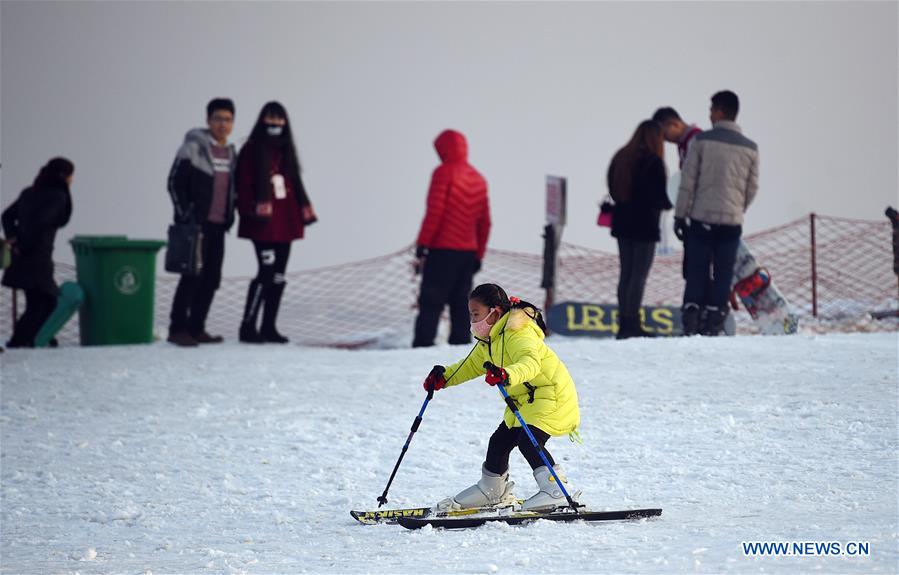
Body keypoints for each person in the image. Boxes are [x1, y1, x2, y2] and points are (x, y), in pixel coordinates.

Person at [422, 283, 580, 511]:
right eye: (471, 314)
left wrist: (507, 374)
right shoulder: (490, 340)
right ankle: (492, 490)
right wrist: (443, 378)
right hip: (526, 401)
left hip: (551, 395)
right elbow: (468, 366)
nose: (472, 320)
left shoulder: (519, 333)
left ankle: (555, 490)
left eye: (476, 314)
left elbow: (531, 364)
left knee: (529, 440)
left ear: (494, 312)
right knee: (499, 442)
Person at [675, 91, 759, 336]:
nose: (709, 114)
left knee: (697, 272)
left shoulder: (701, 141)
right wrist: (737, 208)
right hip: (731, 222)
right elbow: (752, 188)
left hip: (701, 220)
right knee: (723, 273)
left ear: (721, 111)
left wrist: (681, 215)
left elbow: (688, 181)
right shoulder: (750, 148)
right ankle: (714, 321)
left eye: (712, 109)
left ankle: (691, 321)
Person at [236, 101, 317, 344]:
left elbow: (296, 184)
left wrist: (304, 211)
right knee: (266, 272)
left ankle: (269, 326)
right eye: (270, 119)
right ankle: (248, 327)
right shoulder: (251, 149)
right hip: (262, 224)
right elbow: (242, 185)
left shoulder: (287, 152)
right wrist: (250, 210)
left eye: (279, 119)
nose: (275, 124)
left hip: (287, 223)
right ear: (262, 121)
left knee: (279, 275)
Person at [166, 98, 238, 346]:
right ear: (208, 120)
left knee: (211, 278)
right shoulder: (192, 147)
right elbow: (174, 182)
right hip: (196, 225)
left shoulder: (231, 153)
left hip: (219, 225)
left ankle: (197, 328)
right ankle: (178, 329)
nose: (222, 124)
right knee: (191, 276)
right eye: (218, 118)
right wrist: (186, 214)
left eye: (227, 120)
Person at [412, 129, 491, 348]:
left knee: (431, 301)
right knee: (460, 303)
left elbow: (435, 211)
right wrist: (479, 254)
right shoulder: (478, 178)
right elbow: (484, 222)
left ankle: (423, 345)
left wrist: (423, 243)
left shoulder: (443, 173)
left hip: (442, 249)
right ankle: (460, 346)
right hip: (468, 252)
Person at [607, 120, 673, 339]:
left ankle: (623, 323)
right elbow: (659, 197)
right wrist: (671, 202)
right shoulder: (653, 162)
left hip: (623, 222)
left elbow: (612, 187)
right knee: (638, 275)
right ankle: (632, 324)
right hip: (645, 225)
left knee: (626, 273)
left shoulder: (621, 157)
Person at [2, 158, 74, 348]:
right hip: (37, 255)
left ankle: (34, 337)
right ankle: (22, 340)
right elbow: (41, 222)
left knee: (39, 300)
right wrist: (25, 244)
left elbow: (7, 216)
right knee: (45, 301)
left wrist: (14, 239)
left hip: (23, 256)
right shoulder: (57, 196)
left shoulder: (29, 193)